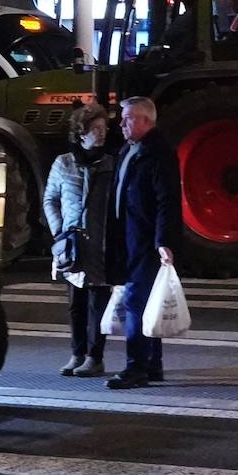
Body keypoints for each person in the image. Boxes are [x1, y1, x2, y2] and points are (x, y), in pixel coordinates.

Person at [106, 96, 181, 390]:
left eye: (128, 119)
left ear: (146, 121)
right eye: (122, 118)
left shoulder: (158, 152)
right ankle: (153, 364)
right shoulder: (130, 149)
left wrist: (164, 240)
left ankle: (136, 367)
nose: (122, 124)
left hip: (145, 239)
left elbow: (167, 200)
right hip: (130, 236)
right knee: (147, 302)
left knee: (138, 302)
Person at [43, 102, 114, 377]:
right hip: (72, 245)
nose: (101, 133)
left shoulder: (110, 163)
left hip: (100, 244)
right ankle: (77, 353)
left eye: (103, 128)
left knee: (98, 302)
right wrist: (60, 231)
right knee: (76, 303)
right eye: (95, 128)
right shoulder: (63, 163)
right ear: (81, 133)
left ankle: (95, 358)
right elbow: (50, 199)